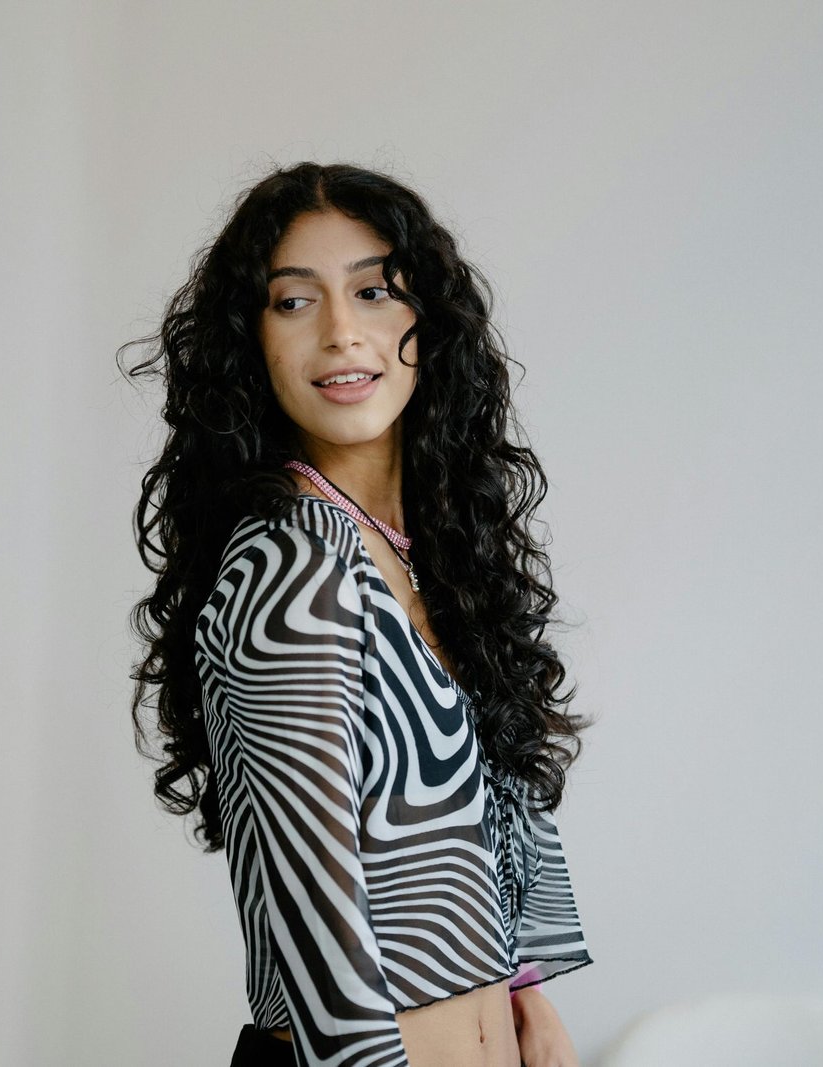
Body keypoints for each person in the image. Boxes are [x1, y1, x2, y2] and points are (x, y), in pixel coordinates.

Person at [125, 163, 593, 1067]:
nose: (342, 331)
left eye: (374, 290)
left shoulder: (431, 555)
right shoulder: (290, 570)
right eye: (293, 302)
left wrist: (528, 999)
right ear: (251, 343)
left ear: (428, 323)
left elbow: (480, 816)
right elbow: (317, 945)